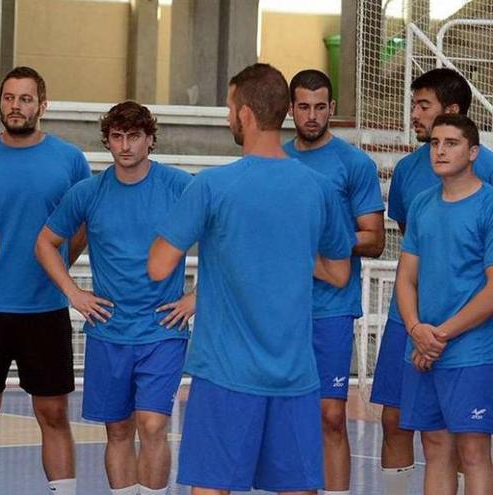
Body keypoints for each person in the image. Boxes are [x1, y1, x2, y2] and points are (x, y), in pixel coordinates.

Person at [148, 63, 355, 495]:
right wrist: (289, 247)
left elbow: (158, 266)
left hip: (225, 373)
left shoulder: (212, 186)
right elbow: (338, 272)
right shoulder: (318, 188)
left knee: (211, 488)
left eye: (228, 107)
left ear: (244, 114)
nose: (227, 117)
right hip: (295, 374)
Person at [36, 101, 193, 495]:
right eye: (118, 136)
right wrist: (73, 293)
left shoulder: (179, 186)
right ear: (107, 140)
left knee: (153, 423)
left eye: (134, 136)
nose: (125, 145)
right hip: (108, 331)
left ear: (150, 139)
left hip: (162, 329)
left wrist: (197, 298)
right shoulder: (89, 192)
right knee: (118, 429)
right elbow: (44, 242)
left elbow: (230, 238)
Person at [0, 66, 90, 495]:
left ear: (42, 105)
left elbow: (82, 222)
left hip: (45, 308)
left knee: (53, 414)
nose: (16, 106)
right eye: (9, 97)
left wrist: (57, 263)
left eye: (26, 98)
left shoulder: (69, 159)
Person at [370, 68, 493, 495]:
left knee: (473, 447)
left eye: (451, 142)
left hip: (468, 341)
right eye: (437, 143)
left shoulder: (488, 194)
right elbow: (409, 269)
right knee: (427, 438)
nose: (439, 150)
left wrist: (437, 335)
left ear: (472, 150)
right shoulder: (416, 189)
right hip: (417, 335)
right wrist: (418, 330)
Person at [283, 69, 385, 495]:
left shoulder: (353, 164)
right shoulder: (275, 160)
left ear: (333, 109)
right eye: (303, 106)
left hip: (332, 307)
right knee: (288, 416)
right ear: (290, 109)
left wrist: (319, 247)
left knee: (330, 415)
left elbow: (375, 238)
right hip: (282, 309)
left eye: (320, 107)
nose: (311, 115)